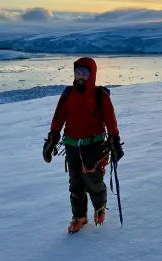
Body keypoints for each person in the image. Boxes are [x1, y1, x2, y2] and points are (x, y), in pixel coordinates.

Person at [42, 57, 124, 233]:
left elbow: (111, 121)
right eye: (77, 73)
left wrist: (114, 140)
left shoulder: (100, 95)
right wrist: (52, 138)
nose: (80, 77)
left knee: (93, 180)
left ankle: (100, 206)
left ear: (91, 75)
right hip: (71, 145)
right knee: (75, 183)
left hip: (93, 145)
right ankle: (79, 216)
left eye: (84, 74)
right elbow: (58, 118)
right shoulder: (67, 94)